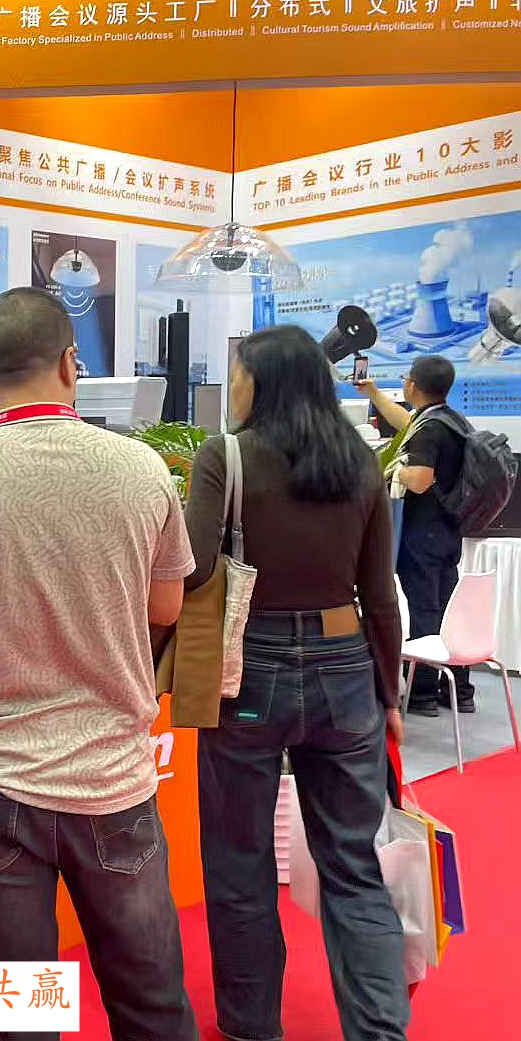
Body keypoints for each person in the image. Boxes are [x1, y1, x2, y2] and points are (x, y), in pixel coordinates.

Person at [0, 287, 198, 1041]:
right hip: (112, 779)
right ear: (70, 364)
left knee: (16, 1013)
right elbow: (165, 608)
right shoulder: (142, 469)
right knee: (151, 1002)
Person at [189, 326, 408, 1041]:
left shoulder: (226, 457)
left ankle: (251, 1027)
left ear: (262, 382)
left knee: (239, 861)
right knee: (353, 864)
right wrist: (388, 695)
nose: (233, 387)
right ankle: (380, 1030)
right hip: (348, 669)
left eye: (238, 375)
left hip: (249, 669)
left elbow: (192, 569)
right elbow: (380, 595)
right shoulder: (360, 462)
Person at [359, 357, 472, 715]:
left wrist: (394, 467)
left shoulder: (429, 430)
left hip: (423, 533)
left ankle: (422, 692)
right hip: (448, 530)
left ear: (413, 386)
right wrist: (373, 393)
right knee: (447, 607)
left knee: (424, 608)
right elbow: (407, 423)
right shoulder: (450, 421)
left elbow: (421, 479)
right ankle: (459, 690)